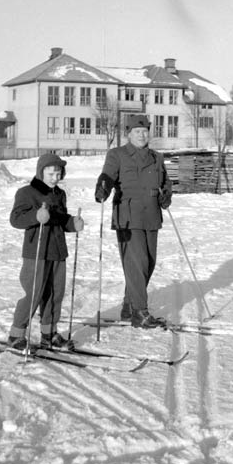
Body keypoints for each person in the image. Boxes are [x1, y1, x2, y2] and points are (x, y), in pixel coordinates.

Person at [94, 114, 172, 329]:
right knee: (138, 264)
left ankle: (129, 306)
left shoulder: (157, 157)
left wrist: (166, 195)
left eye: (145, 131)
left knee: (149, 263)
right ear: (128, 134)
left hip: (151, 215)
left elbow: (165, 182)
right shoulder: (117, 154)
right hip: (128, 216)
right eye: (137, 132)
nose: (142, 135)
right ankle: (140, 312)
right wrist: (102, 188)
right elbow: (107, 176)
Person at [8, 153, 84, 351]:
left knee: (55, 294)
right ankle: (16, 334)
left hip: (57, 251)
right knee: (33, 293)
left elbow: (61, 219)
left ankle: (49, 334)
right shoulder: (27, 192)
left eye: (58, 174)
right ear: (40, 172)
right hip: (36, 251)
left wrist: (72, 223)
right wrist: (36, 215)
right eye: (50, 174)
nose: (55, 178)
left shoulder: (59, 194)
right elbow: (16, 219)